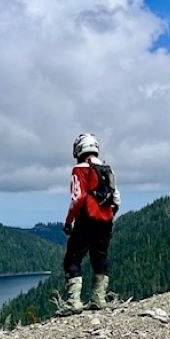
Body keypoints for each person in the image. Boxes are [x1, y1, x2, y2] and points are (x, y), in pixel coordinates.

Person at [62, 133, 120, 314]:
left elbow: (77, 198)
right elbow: (116, 198)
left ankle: (74, 303)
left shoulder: (79, 169)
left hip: (86, 219)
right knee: (100, 257)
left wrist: (69, 221)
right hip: (106, 221)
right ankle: (98, 299)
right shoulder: (107, 169)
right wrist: (110, 216)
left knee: (73, 258)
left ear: (78, 149)